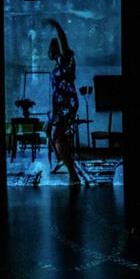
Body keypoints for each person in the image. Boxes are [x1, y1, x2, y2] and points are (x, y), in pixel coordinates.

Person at [46, 19, 80, 185]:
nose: (50, 51)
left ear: (58, 48)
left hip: (67, 104)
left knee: (58, 136)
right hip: (59, 106)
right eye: (50, 48)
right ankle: (62, 159)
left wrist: (57, 26)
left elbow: (63, 40)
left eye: (53, 47)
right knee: (48, 131)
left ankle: (73, 175)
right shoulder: (57, 66)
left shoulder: (66, 58)